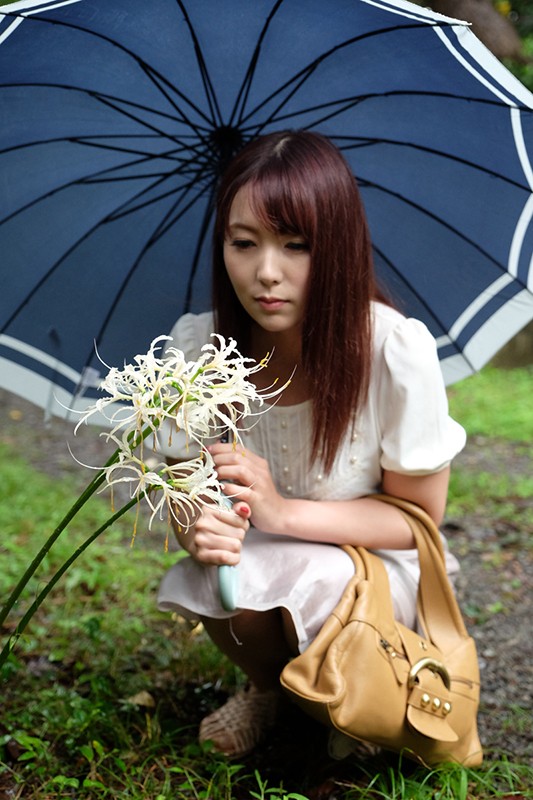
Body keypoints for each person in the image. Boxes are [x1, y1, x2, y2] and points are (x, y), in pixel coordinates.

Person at [157, 130, 466, 759]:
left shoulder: (392, 350)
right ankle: (271, 689)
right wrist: (197, 529)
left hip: (369, 573)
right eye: (244, 243)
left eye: (296, 245)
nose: (267, 273)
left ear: (339, 246)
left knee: (304, 570)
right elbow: (182, 486)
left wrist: (281, 512)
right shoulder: (198, 349)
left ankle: (356, 695)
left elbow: (419, 519)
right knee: (227, 572)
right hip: (263, 563)